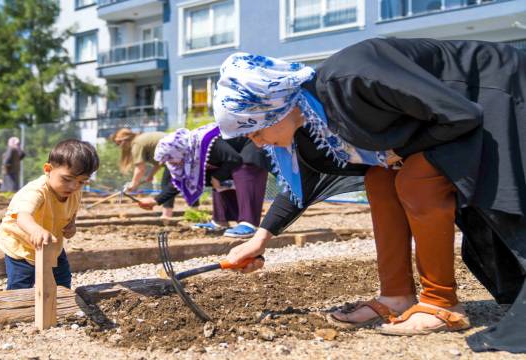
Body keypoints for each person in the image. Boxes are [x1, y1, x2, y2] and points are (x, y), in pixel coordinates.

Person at [213, 39, 526, 352]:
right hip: (447, 119)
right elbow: (302, 187)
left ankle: (441, 303)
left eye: (255, 131)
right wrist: (259, 240)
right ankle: (396, 296)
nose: (257, 143)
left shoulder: (355, 78)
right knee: (379, 180)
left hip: (493, 90)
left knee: (418, 181)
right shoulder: (309, 117)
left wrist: (400, 152)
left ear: (275, 108)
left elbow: (459, 113)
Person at [0, 139, 99, 290]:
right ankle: (20, 311)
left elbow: (70, 214)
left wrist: (71, 226)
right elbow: (22, 216)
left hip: (51, 245)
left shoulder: (75, 192)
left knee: (62, 281)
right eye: (67, 179)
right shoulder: (36, 191)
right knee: (21, 286)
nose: (74, 186)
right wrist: (36, 230)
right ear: (48, 169)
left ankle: (59, 308)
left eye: (82, 182)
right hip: (21, 246)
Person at [142, 125, 269, 238]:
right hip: (234, 157)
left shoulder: (206, 142)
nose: (171, 163)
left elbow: (234, 159)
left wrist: (218, 177)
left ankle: (249, 223)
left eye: (171, 159)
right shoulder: (190, 151)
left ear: (178, 151)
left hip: (252, 147)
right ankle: (221, 220)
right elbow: (182, 181)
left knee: (242, 171)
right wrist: (156, 201)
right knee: (215, 176)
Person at [112, 128, 174, 218]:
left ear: (124, 140)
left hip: (174, 154)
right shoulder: (141, 140)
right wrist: (151, 175)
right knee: (178, 184)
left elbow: (140, 168)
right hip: (174, 153)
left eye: (118, 143)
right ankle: (194, 207)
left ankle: (166, 215)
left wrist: (133, 184)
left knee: (166, 184)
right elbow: (158, 164)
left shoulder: (136, 143)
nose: (119, 147)